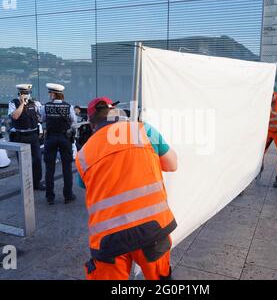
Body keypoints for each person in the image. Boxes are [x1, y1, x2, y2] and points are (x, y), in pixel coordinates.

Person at [76, 97, 178, 280]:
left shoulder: (84, 153)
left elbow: (83, 184)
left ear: (92, 124)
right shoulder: (144, 130)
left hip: (108, 239)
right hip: (151, 229)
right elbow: (172, 165)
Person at [40, 83, 77, 205]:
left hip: (50, 137)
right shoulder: (68, 107)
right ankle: (68, 195)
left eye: (50, 93)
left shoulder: (45, 106)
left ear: (54, 94)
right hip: (64, 137)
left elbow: (43, 119)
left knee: (49, 168)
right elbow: (73, 122)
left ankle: (50, 197)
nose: (49, 95)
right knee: (67, 167)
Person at [8, 84, 45, 191]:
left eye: (28, 93)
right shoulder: (13, 103)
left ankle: (37, 182)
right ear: (19, 93)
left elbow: (41, 116)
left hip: (33, 135)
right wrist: (22, 104)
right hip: (20, 136)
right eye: (24, 93)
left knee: (37, 159)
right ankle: (26, 184)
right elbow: (15, 116)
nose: (26, 95)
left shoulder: (35, 103)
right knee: (23, 161)